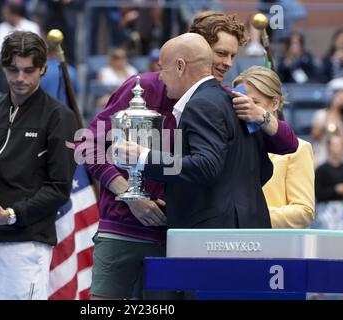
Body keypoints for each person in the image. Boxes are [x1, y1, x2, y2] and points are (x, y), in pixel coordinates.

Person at [79, 10, 298, 300]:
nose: (226, 63)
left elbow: (286, 146)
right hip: (125, 228)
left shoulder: (222, 99)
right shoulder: (141, 87)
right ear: (194, 50)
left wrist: (264, 117)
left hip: (181, 236)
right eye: (221, 53)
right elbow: (87, 144)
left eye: (233, 55)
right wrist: (128, 195)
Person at [0, 31, 78, 300]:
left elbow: (58, 189)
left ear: (43, 68)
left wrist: (9, 215)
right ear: (3, 66)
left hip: (24, 245)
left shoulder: (59, 117)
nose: (20, 78)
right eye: (13, 69)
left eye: (28, 70)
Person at [115, 33, 272, 229]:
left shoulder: (202, 104)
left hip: (215, 237)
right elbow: (265, 169)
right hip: (250, 227)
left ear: (180, 66)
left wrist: (144, 157)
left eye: (163, 68)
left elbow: (206, 166)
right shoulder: (235, 100)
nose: (161, 77)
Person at [233, 66, 315, 228]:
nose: (246, 109)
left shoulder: (300, 148)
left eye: (254, 102)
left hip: (273, 244)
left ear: (275, 103)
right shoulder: (230, 143)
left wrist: (251, 216)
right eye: (239, 102)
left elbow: (304, 211)